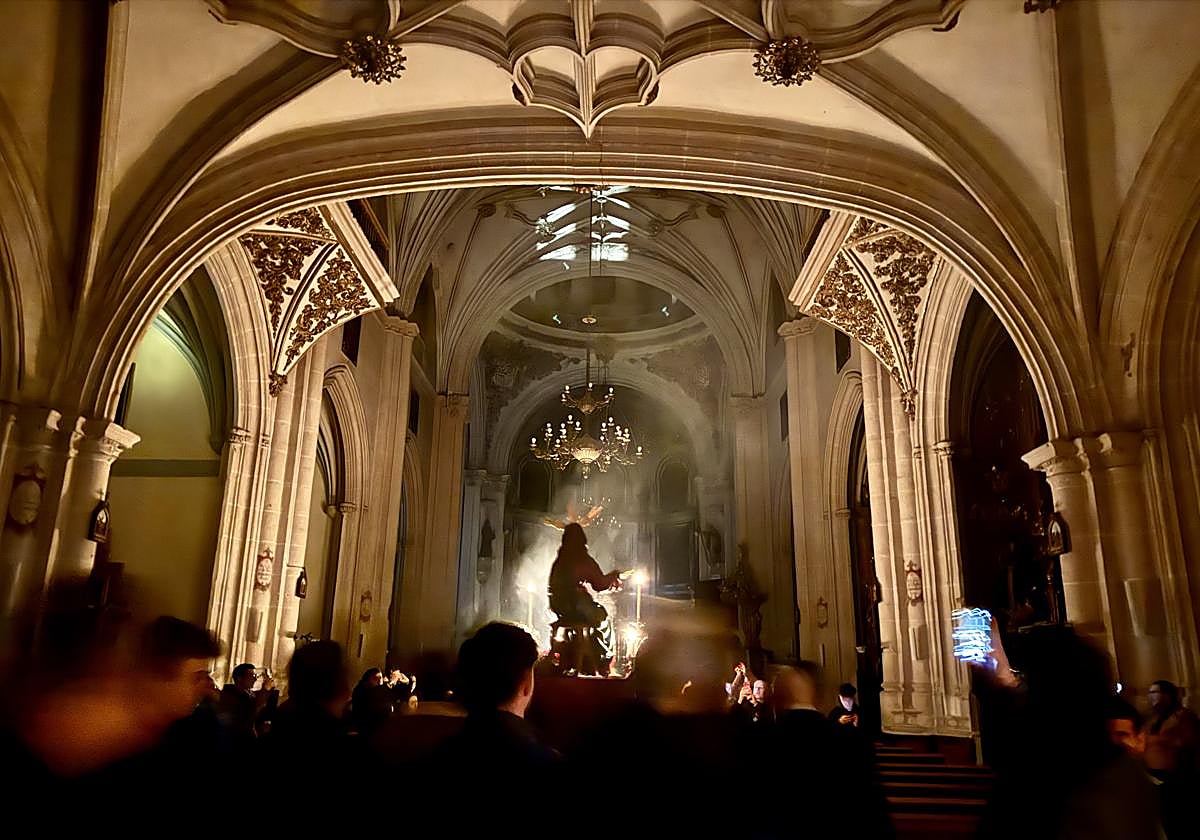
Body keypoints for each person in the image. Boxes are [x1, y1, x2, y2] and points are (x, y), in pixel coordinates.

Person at [974, 624, 1162, 840]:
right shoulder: (1104, 763)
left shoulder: (1051, 778)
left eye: (1025, 682)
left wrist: (998, 687)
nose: (1021, 693)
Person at [763, 662, 893, 837]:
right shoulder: (851, 742)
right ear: (820, 695)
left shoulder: (761, 740)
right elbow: (873, 810)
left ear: (777, 695)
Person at [547, 523, 621, 672]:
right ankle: (602, 661)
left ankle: (576, 660)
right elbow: (599, 584)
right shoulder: (581, 557)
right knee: (602, 617)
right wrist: (614, 575)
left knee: (587, 617)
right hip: (575, 605)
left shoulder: (560, 559)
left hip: (557, 605)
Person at [1145, 680, 1199, 839]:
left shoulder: (1182, 716)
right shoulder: (1152, 719)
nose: (1151, 696)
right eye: (1150, 692)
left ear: (1167, 695)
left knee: (1180, 823)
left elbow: (1190, 744)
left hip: (1176, 779)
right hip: (1156, 779)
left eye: (1155, 692)